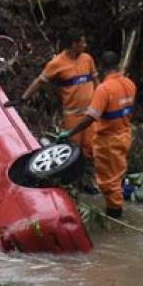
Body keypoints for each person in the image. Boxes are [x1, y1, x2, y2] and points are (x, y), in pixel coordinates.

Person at [56, 50, 135, 218]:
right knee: (117, 175)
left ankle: (114, 219)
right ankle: (117, 207)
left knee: (109, 184)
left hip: (109, 141)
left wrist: (71, 132)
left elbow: (90, 117)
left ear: (101, 66)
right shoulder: (129, 84)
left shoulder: (104, 89)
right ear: (117, 65)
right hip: (125, 135)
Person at [15, 28, 98, 159]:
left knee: (93, 148)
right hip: (73, 116)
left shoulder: (87, 59)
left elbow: (96, 80)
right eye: (82, 43)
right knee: (73, 150)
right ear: (73, 44)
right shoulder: (57, 63)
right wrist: (23, 98)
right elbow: (40, 81)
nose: (85, 45)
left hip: (90, 115)